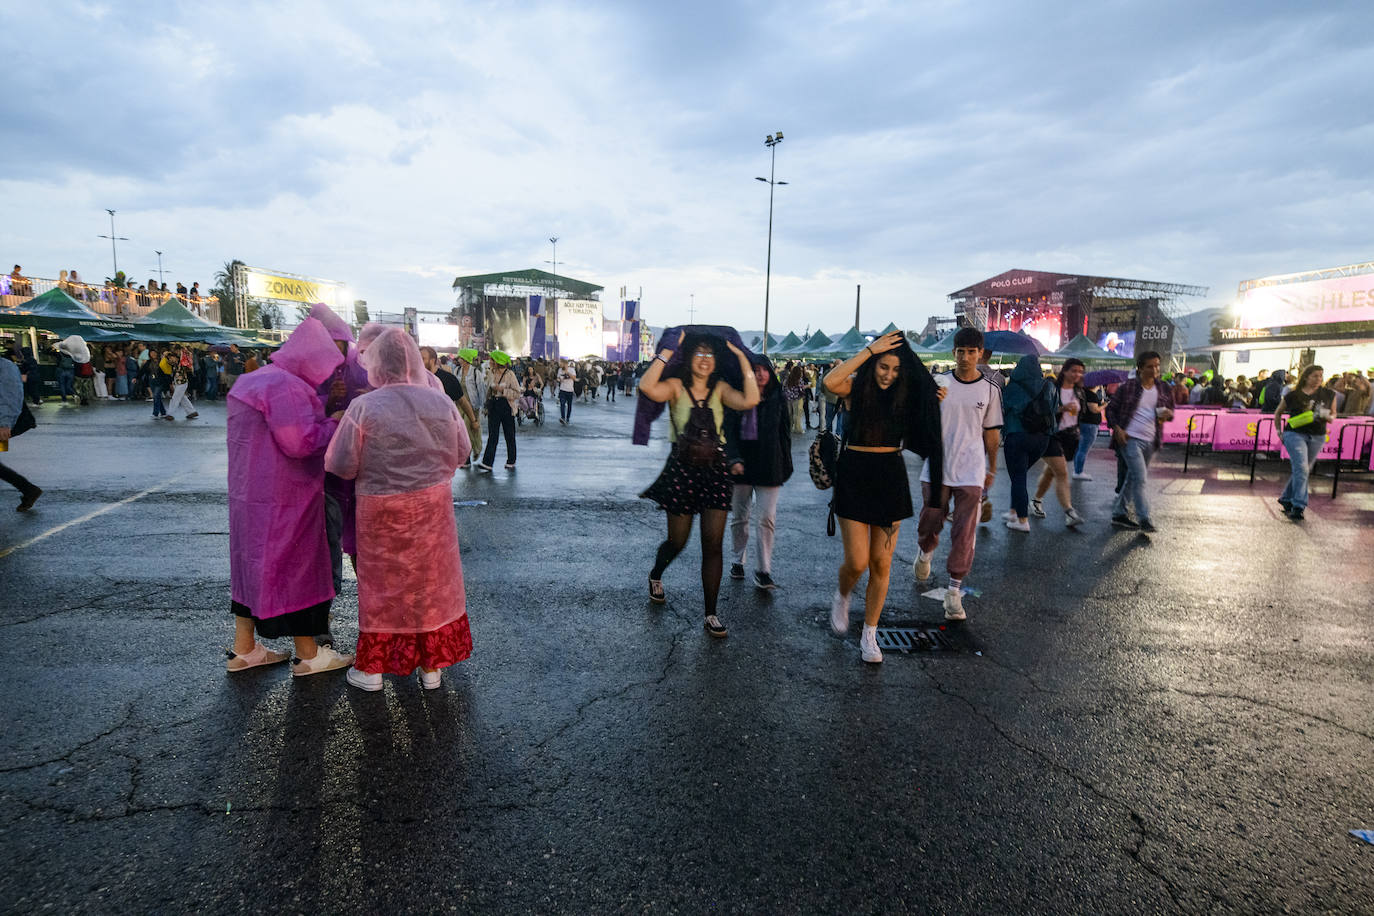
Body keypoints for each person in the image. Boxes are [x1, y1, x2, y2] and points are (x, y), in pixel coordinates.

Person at [326, 329, 474, 691]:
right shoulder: (440, 403)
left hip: (381, 514)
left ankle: (373, 670)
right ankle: (431, 667)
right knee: (430, 586)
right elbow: (462, 452)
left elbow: (340, 462)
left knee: (383, 589)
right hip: (432, 511)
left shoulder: (365, 407)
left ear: (376, 363)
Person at [224, 317, 352, 676]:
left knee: (250, 566)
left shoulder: (251, 381)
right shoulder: (288, 387)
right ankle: (309, 654)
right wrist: (336, 422)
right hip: (288, 498)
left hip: (248, 496)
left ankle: (244, 648)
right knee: (299, 570)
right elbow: (301, 442)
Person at [824, 331, 942, 662]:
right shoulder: (854, 390)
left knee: (881, 562)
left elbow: (927, 424)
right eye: (883, 366)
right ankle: (843, 594)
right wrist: (868, 350)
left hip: (890, 477)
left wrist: (936, 399)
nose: (889, 374)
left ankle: (870, 634)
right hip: (854, 475)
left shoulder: (906, 395)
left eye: (895, 368)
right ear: (874, 363)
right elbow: (829, 383)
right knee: (857, 561)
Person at [637, 330, 760, 638]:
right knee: (677, 541)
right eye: (698, 353)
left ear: (716, 361)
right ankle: (656, 573)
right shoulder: (676, 386)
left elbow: (750, 398)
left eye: (710, 354)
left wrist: (743, 357)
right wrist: (667, 351)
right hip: (681, 469)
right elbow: (647, 386)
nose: (704, 360)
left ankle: (710, 613)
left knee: (713, 545)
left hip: (715, 473)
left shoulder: (719, 389)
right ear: (689, 357)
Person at [913, 327, 1002, 622]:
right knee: (931, 520)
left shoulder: (990, 390)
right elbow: (919, 421)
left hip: (971, 471)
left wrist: (992, 467)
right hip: (937, 468)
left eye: (971, 352)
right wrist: (929, 403)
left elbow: (991, 434)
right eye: (960, 352)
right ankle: (925, 551)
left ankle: (954, 592)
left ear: (981, 354)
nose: (965, 357)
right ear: (953, 353)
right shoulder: (939, 382)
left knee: (965, 532)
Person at [724, 355, 792, 590]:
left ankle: (764, 570)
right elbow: (728, 431)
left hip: (769, 466)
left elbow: (785, 434)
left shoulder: (778, 398)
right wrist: (732, 458)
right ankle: (737, 560)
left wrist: (785, 465)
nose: (761, 374)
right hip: (741, 465)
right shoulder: (738, 396)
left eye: (765, 369)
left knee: (766, 518)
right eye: (755, 369)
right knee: (740, 517)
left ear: (771, 373)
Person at [1106, 350, 1175, 533]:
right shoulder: (1128, 387)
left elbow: (1170, 410)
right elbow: (1111, 410)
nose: (1155, 370)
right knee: (1140, 478)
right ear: (1140, 368)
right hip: (1129, 438)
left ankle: (1119, 513)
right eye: (1150, 366)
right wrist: (1117, 428)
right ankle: (1144, 517)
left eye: (1157, 366)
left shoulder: (1164, 388)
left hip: (1151, 439)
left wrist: (1168, 414)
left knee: (1132, 478)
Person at [1000, 353, 1055, 532]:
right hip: (1042, 439)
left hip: (1017, 436)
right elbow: (1055, 408)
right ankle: (1013, 511)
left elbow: (1003, 408)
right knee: (1019, 475)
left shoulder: (1013, 387)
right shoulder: (1049, 385)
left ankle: (1022, 520)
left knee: (1018, 477)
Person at [1030, 358, 1087, 528]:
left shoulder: (1079, 391)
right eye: (1074, 370)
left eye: (1080, 371)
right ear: (1065, 371)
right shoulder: (1052, 387)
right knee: (1062, 473)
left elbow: (1081, 413)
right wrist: (1062, 408)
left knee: (1051, 472)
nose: (1077, 374)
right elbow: (1041, 410)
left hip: (1070, 437)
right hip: (1050, 435)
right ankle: (1069, 512)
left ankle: (1035, 501)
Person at [1274, 364, 1335, 521]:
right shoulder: (1293, 395)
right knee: (1301, 468)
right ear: (1306, 376)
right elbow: (1278, 413)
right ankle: (1299, 504)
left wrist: (1327, 416)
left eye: (1321, 376)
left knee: (1303, 469)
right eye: (1315, 376)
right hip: (1295, 434)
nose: (1318, 379)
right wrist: (1280, 432)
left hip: (1318, 434)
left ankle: (1286, 498)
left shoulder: (1328, 394)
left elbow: (1334, 414)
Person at [0, 351, 42, 511]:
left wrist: (5, 423)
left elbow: (10, 396)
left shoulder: (5, 367)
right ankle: (29, 490)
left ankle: (29, 490)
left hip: (4, 422)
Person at [422, 345, 479, 435]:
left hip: (443, 428)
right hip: (423, 429)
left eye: (423, 359)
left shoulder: (448, 379)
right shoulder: (413, 380)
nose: (419, 362)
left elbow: (462, 401)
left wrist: (473, 421)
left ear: (432, 360)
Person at [477, 351, 520, 471]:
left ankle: (511, 460)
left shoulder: (510, 374)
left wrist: (503, 391)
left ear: (498, 362)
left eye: (492, 360)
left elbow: (517, 393)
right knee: (493, 435)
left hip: (506, 405)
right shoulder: (491, 373)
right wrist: (486, 405)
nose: (490, 362)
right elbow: (488, 391)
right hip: (494, 405)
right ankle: (487, 462)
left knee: (509, 435)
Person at [1072, 380, 1105, 479]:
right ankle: (1078, 472)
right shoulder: (1091, 395)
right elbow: (1094, 409)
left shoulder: (1084, 394)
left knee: (1080, 448)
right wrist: (1105, 405)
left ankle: (1077, 470)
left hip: (1084, 423)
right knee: (1084, 449)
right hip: (1090, 425)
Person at [162, 347, 200, 420]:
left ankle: (170, 414)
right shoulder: (175, 363)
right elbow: (166, 361)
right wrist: (166, 355)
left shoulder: (182, 362)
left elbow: (188, 358)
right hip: (177, 383)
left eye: (172, 357)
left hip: (182, 383)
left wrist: (184, 351)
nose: (171, 359)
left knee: (175, 398)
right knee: (183, 398)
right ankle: (192, 412)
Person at [556, 358, 576, 424]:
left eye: (560, 363)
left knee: (569, 405)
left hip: (570, 390)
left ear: (565, 364)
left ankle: (567, 418)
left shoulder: (572, 370)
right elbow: (558, 378)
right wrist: (559, 380)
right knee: (562, 404)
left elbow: (574, 378)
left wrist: (567, 372)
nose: (559, 364)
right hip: (562, 389)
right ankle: (563, 418)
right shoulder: (559, 370)